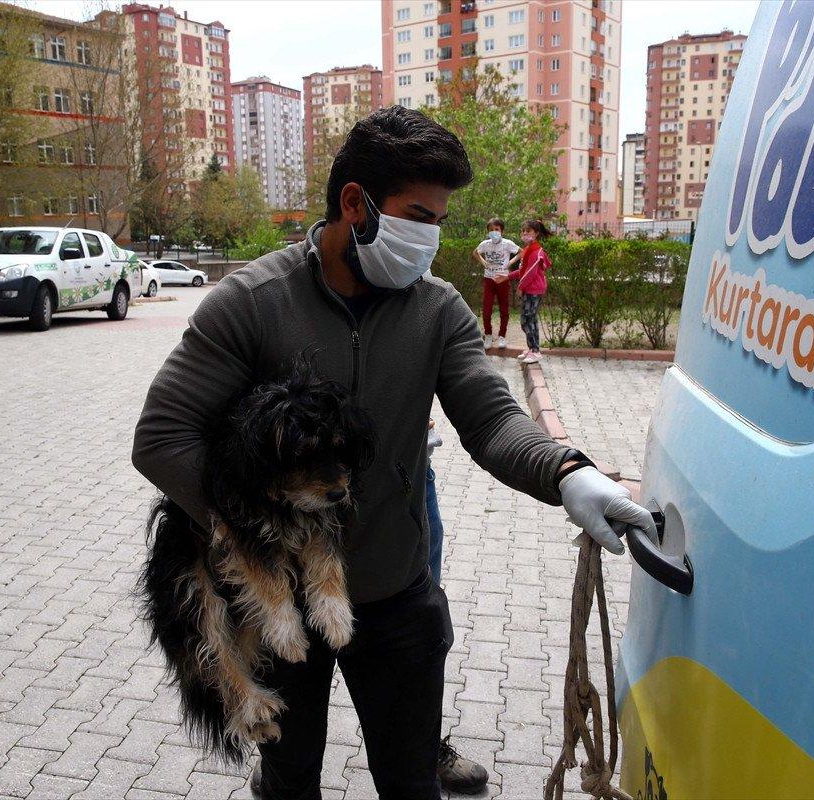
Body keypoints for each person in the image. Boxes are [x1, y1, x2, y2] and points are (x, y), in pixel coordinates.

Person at [132, 106, 654, 800]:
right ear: (356, 204)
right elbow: (162, 436)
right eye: (419, 216)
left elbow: (491, 417)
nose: (431, 239)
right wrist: (256, 532)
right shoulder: (252, 303)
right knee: (288, 782)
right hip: (277, 602)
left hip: (394, 590)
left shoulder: (437, 310)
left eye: (439, 220)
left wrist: (566, 472)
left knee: (411, 783)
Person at [473, 217, 521, 350]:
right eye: (491, 230)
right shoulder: (485, 244)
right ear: (488, 232)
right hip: (489, 279)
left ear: (502, 231)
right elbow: (476, 253)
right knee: (487, 310)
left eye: (497, 229)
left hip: (503, 279)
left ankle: (502, 336)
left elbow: (521, 252)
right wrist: (483, 262)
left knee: (504, 309)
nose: (494, 232)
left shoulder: (507, 243)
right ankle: (488, 335)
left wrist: (510, 263)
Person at [511, 220, 552, 364]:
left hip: (533, 290)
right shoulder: (529, 249)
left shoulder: (535, 251)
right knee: (530, 320)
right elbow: (523, 270)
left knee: (527, 320)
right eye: (523, 231)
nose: (524, 233)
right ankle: (532, 349)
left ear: (536, 233)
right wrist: (507, 276)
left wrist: (520, 287)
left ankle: (535, 351)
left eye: (528, 231)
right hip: (531, 289)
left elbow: (531, 272)